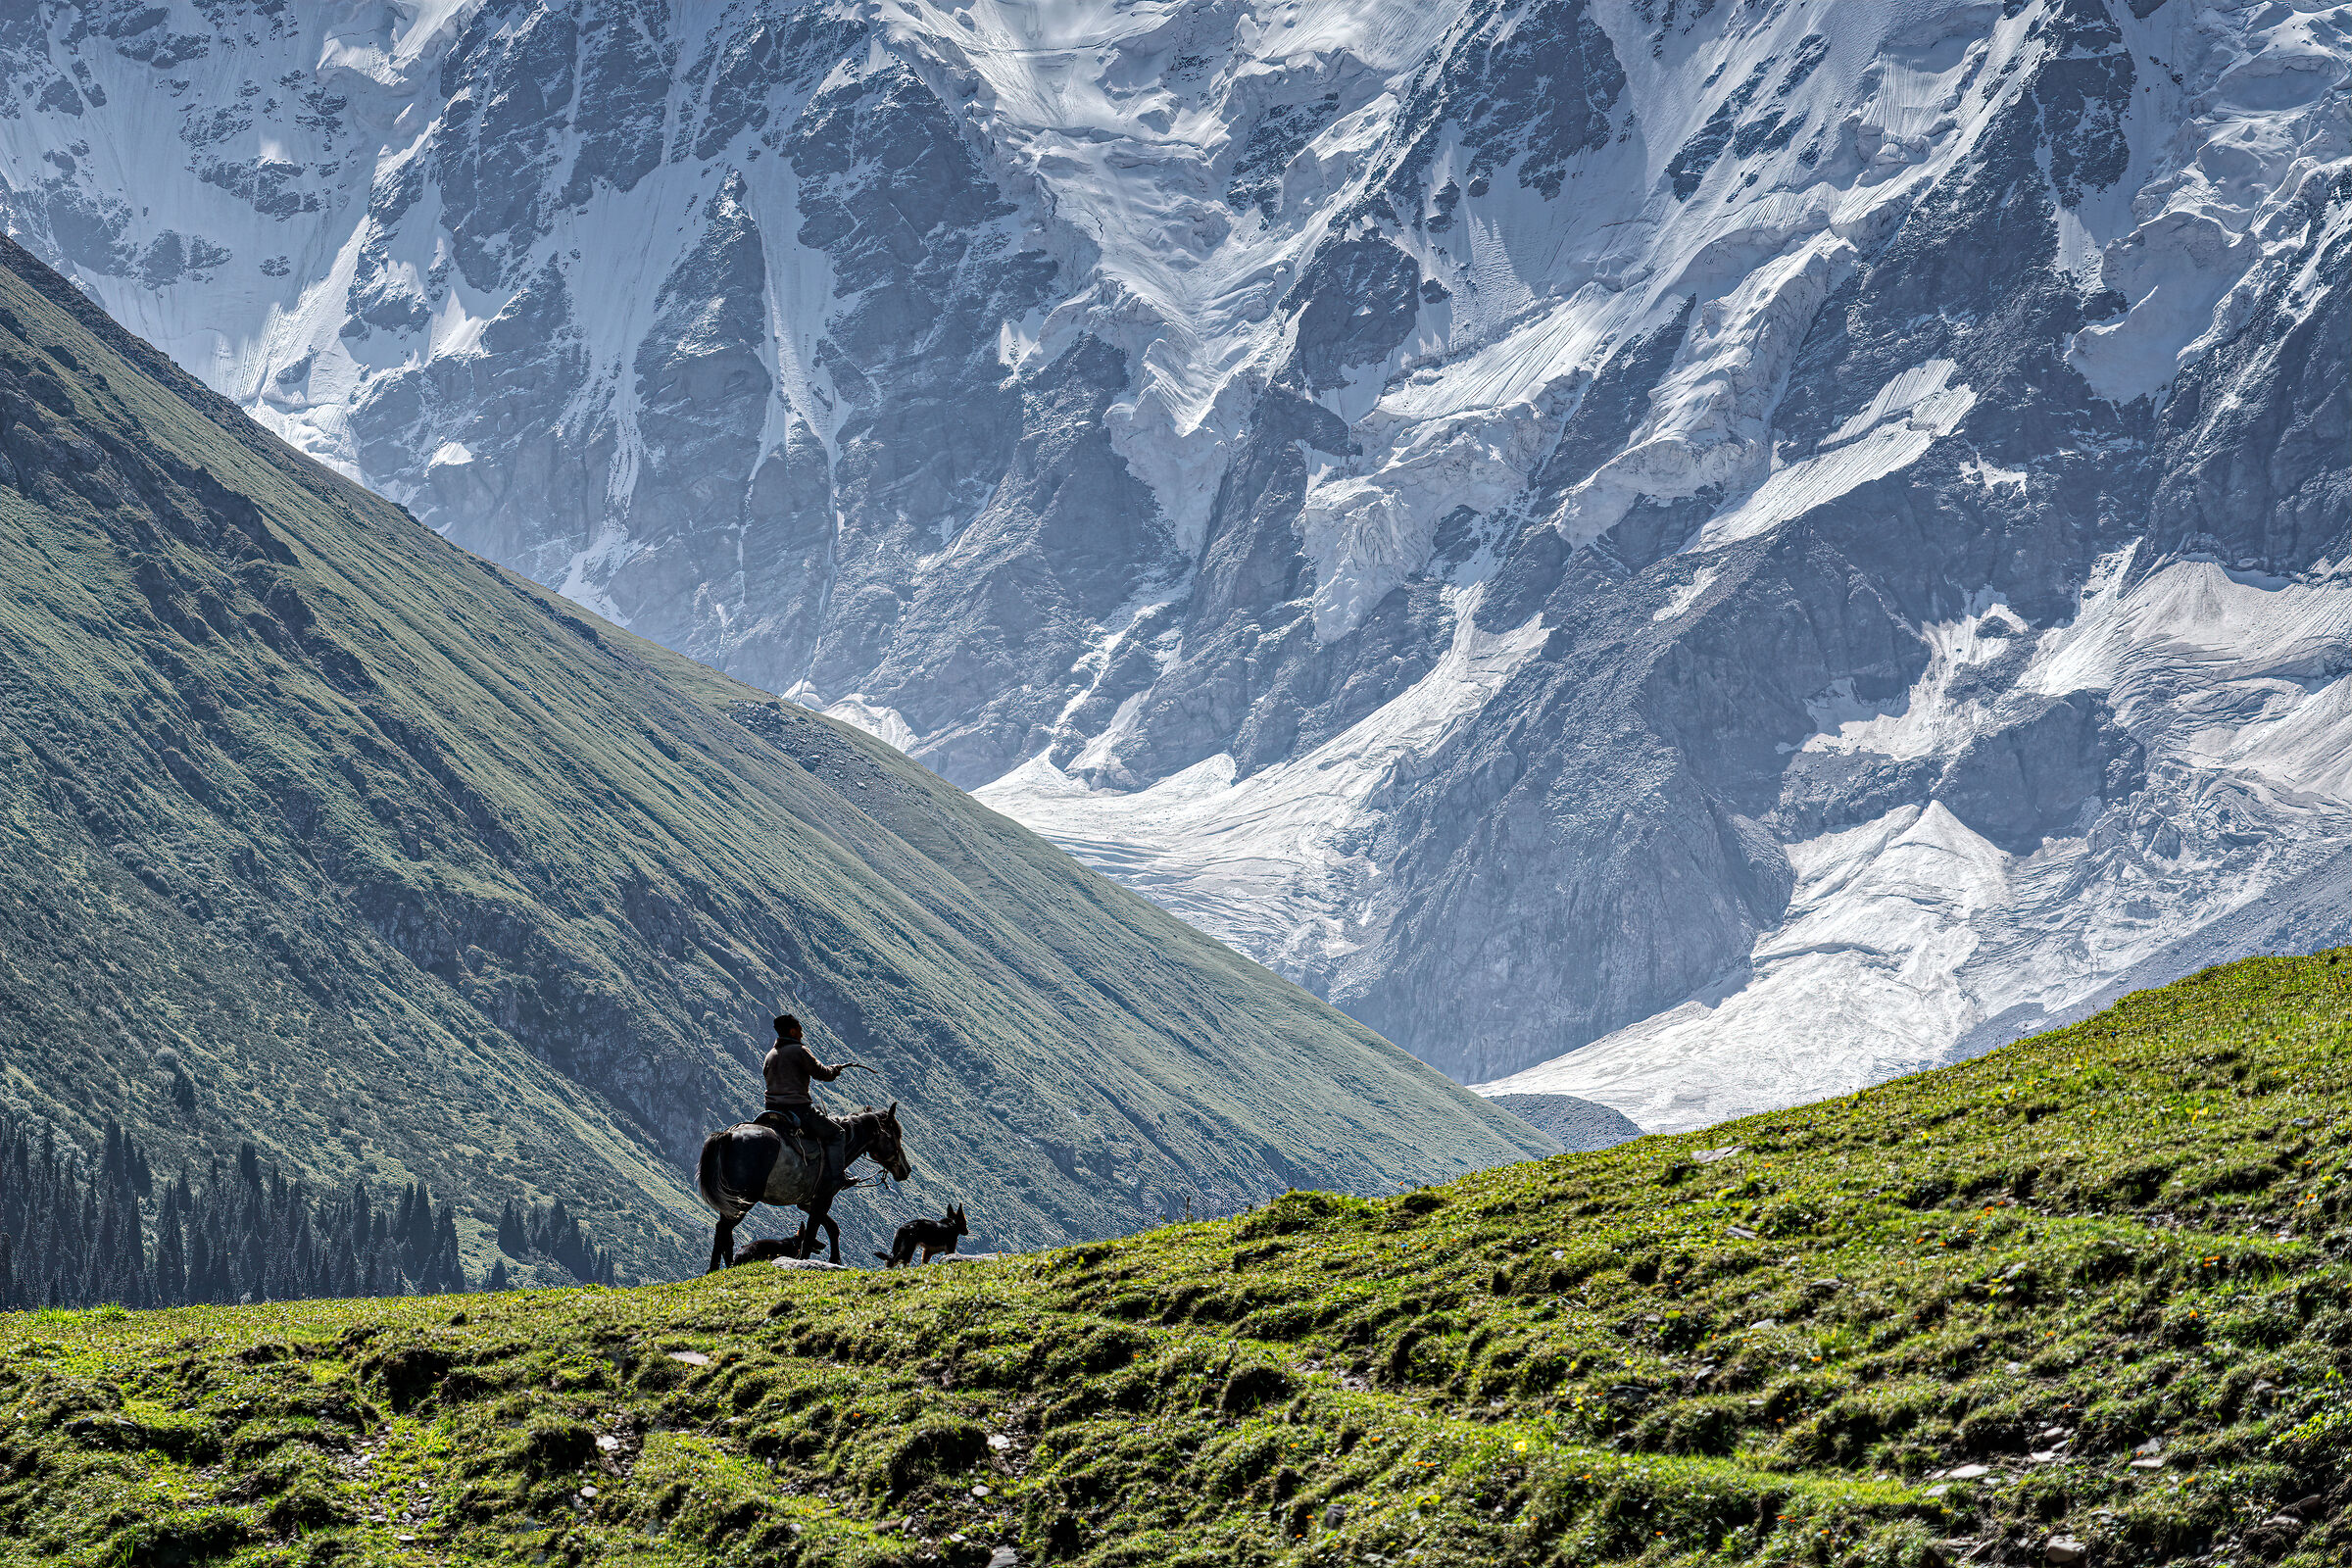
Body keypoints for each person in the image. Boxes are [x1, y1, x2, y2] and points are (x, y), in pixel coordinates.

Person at [757, 1014, 845, 1182]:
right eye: (800, 1031)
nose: (801, 1035)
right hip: (798, 1109)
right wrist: (834, 1069)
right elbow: (822, 1073)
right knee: (837, 1134)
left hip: (771, 1110)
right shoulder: (799, 1051)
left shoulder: (770, 1055)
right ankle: (837, 1178)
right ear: (792, 1031)